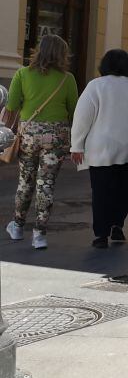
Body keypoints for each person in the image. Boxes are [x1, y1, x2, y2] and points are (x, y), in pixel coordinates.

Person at [70, 50, 128, 248]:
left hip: (103, 148)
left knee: (101, 191)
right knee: (124, 189)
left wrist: (77, 145)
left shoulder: (96, 86)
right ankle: (117, 226)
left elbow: (82, 118)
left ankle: (101, 235)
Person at [3, 35, 79, 250]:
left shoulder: (22, 74)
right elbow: (75, 111)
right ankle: (39, 234)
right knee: (46, 185)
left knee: (25, 181)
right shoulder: (67, 79)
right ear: (61, 55)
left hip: (29, 135)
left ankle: (17, 226)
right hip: (56, 137)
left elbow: (11, 106)